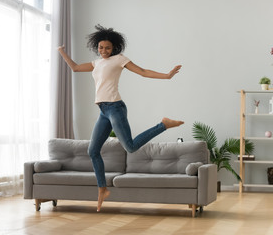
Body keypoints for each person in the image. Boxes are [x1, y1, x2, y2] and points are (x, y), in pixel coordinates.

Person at [58, 25, 184, 212]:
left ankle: (163, 125)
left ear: (114, 47)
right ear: (97, 47)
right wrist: (61, 52)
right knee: (93, 151)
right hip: (103, 110)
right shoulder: (96, 63)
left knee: (130, 147)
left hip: (115, 108)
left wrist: (166, 76)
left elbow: (142, 71)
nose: (104, 51)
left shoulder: (119, 60)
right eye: (101, 47)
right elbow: (75, 68)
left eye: (107, 48)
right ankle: (102, 189)